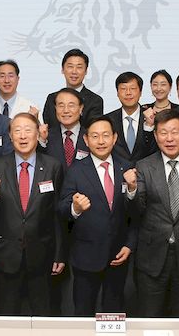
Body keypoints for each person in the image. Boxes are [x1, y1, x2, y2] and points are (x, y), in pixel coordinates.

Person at [125, 109, 179, 317]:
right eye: (163, 133)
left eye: (174, 132)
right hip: (152, 256)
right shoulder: (144, 166)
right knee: (150, 316)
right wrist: (132, 189)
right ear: (156, 136)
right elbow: (137, 212)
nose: (169, 138)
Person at [0, 113, 67, 315]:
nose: (22, 136)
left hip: (42, 255)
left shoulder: (53, 166)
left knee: (42, 315)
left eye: (28, 130)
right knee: (6, 316)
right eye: (17, 131)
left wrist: (59, 253)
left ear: (38, 134)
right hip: (5, 257)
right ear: (10, 136)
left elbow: (58, 215)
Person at [58, 116, 136, 315]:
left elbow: (136, 213)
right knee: (83, 313)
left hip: (118, 255)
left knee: (114, 313)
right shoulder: (76, 170)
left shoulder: (127, 168)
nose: (101, 141)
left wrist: (129, 244)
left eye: (105, 135)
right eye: (94, 136)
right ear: (86, 140)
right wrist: (75, 208)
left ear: (114, 138)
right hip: (86, 257)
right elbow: (62, 208)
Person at [42, 49, 104, 130]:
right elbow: (48, 129)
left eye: (79, 67)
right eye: (70, 66)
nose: (74, 71)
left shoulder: (95, 100)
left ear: (86, 71)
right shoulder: (51, 98)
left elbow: (93, 130)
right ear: (62, 69)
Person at [105, 72, 156, 166]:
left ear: (140, 92)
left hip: (147, 172)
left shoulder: (153, 117)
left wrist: (149, 127)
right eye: (123, 89)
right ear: (117, 93)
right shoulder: (107, 120)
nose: (128, 93)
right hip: (117, 173)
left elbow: (155, 150)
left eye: (133, 88)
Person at [40, 88, 90, 173]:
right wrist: (42, 141)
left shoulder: (90, 136)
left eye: (71, 105)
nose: (66, 110)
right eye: (61, 106)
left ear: (81, 108)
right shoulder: (47, 137)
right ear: (55, 108)